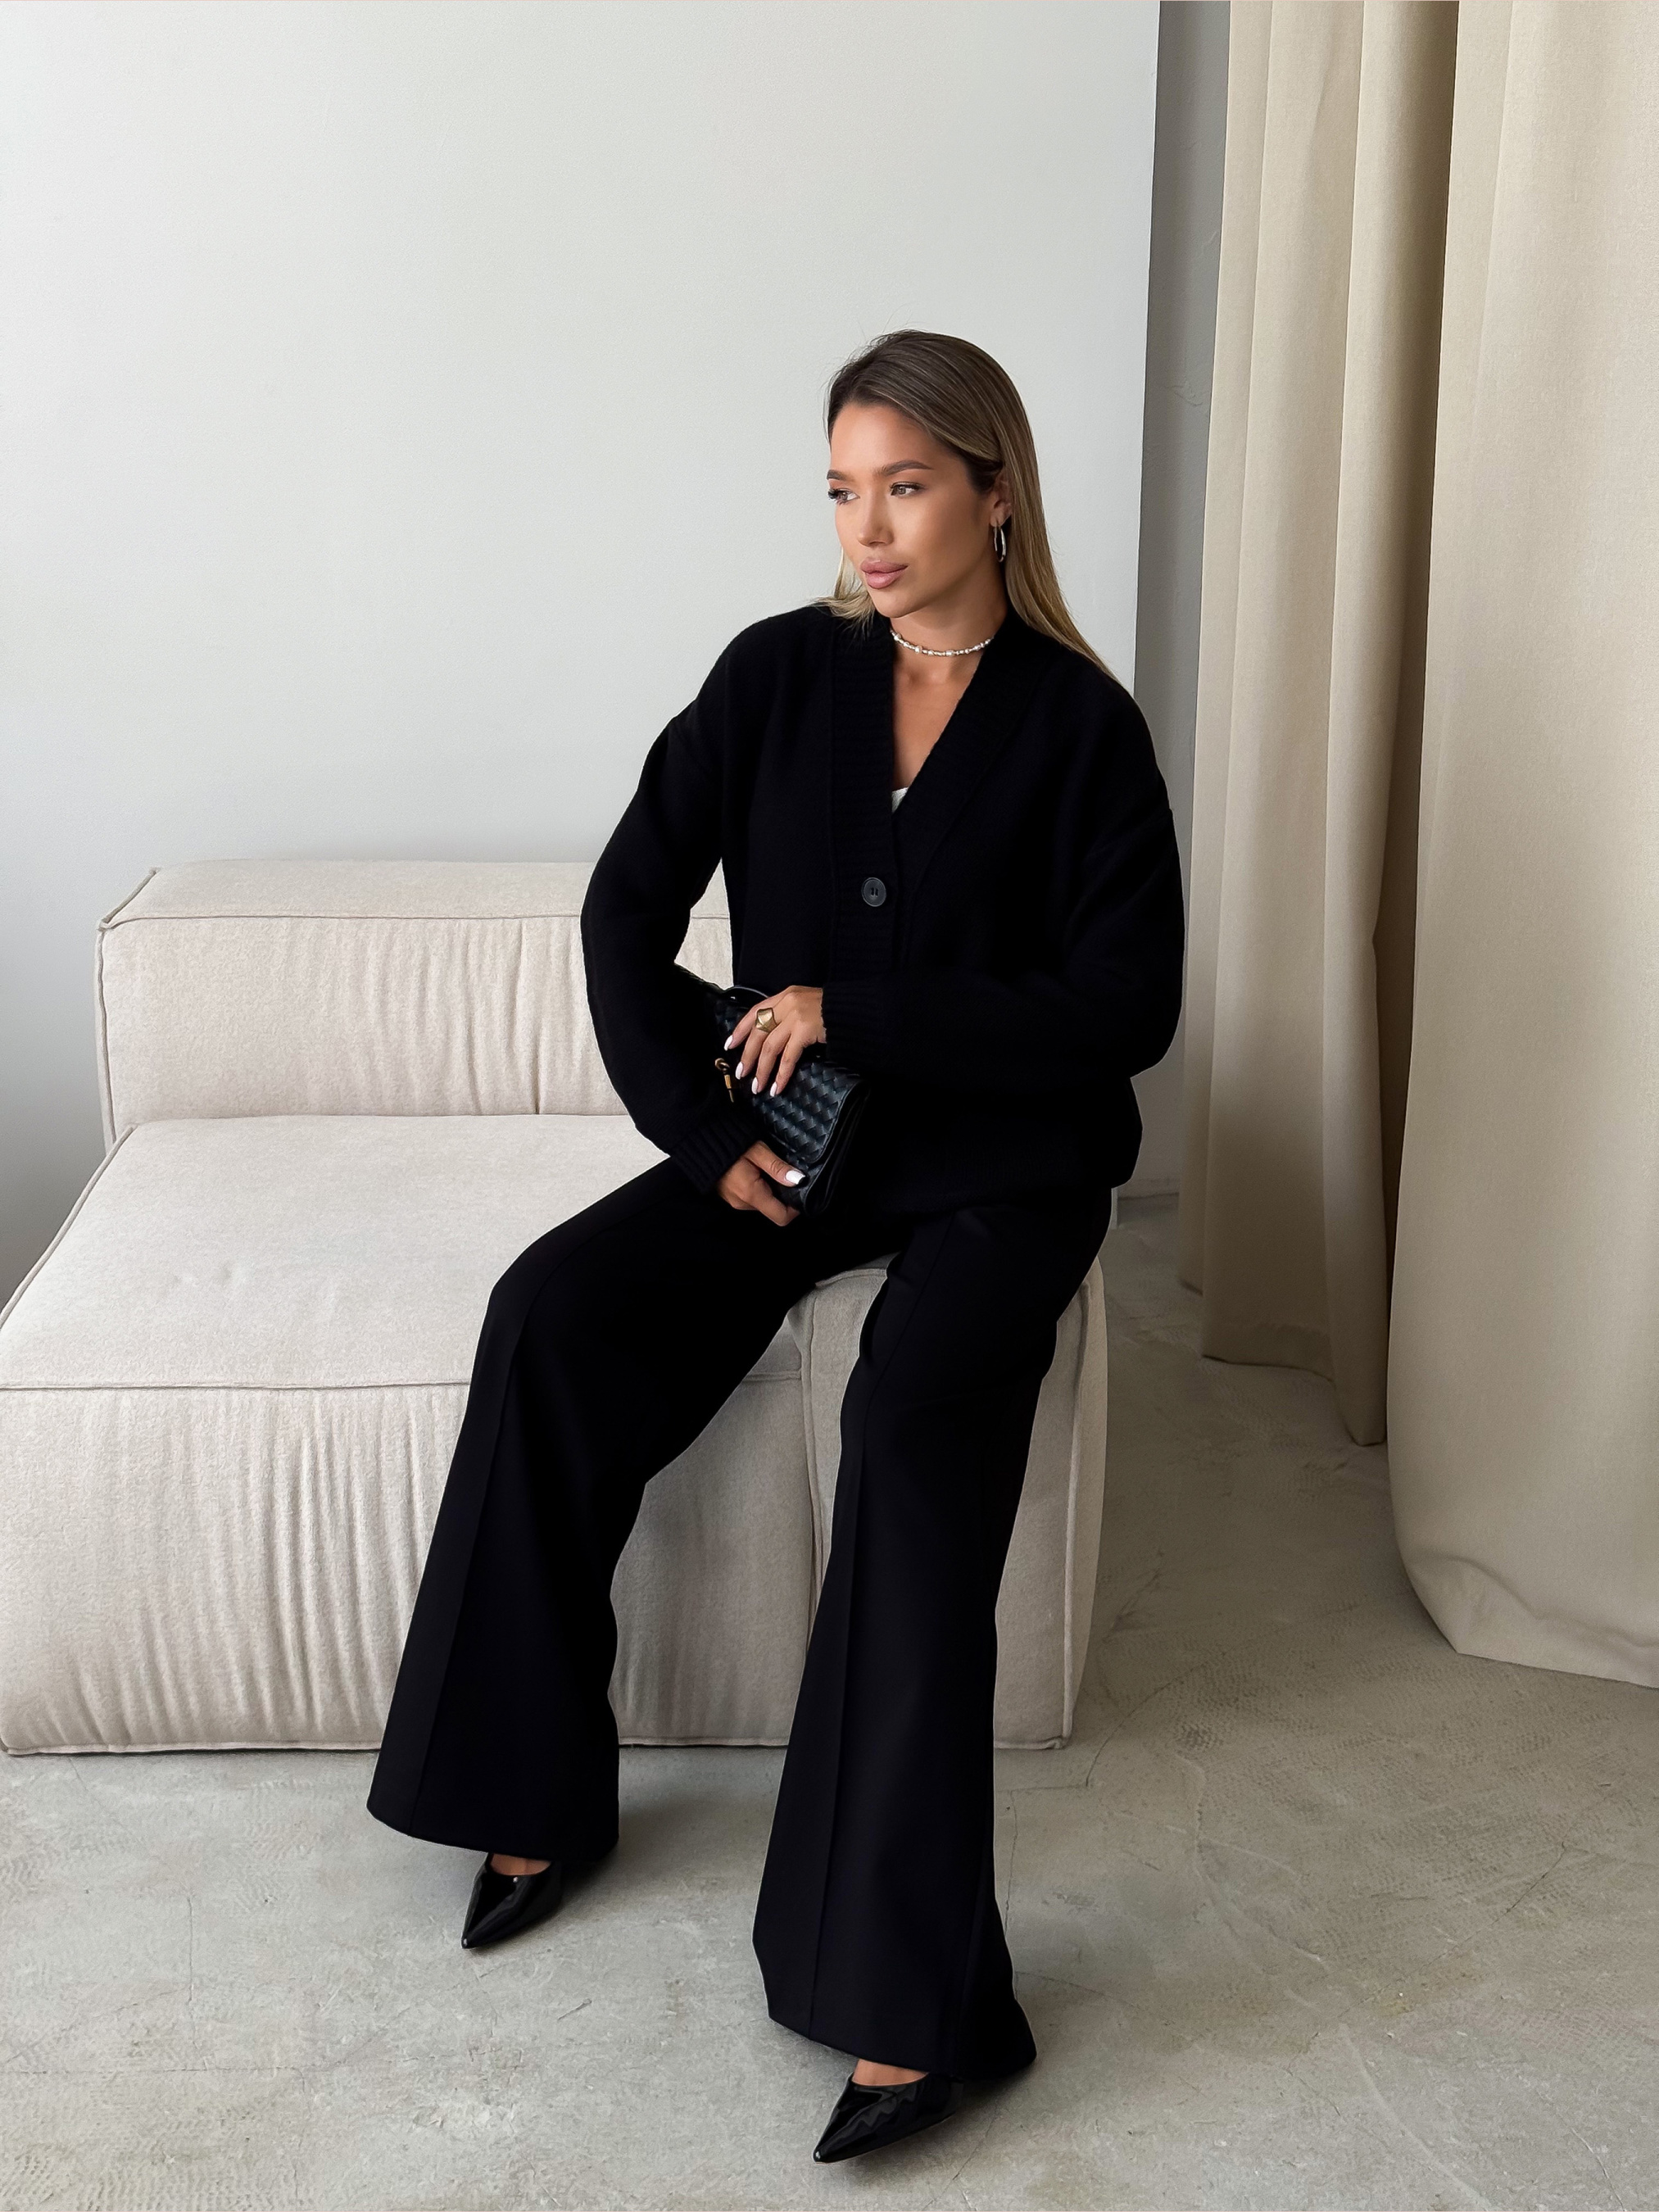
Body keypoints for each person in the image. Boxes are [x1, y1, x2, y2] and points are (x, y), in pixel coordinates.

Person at [366, 327, 1185, 2163]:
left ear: (993, 491)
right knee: (553, 1313)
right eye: (840, 490)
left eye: (905, 485)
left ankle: (911, 2001)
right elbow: (622, 910)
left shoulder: (1079, 727)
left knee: (904, 1426)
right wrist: (701, 1127)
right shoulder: (773, 677)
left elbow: (1124, 1008)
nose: (867, 529)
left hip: (1004, 1167)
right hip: (796, 1145)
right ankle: (528, 1792)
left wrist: (856, 1010)